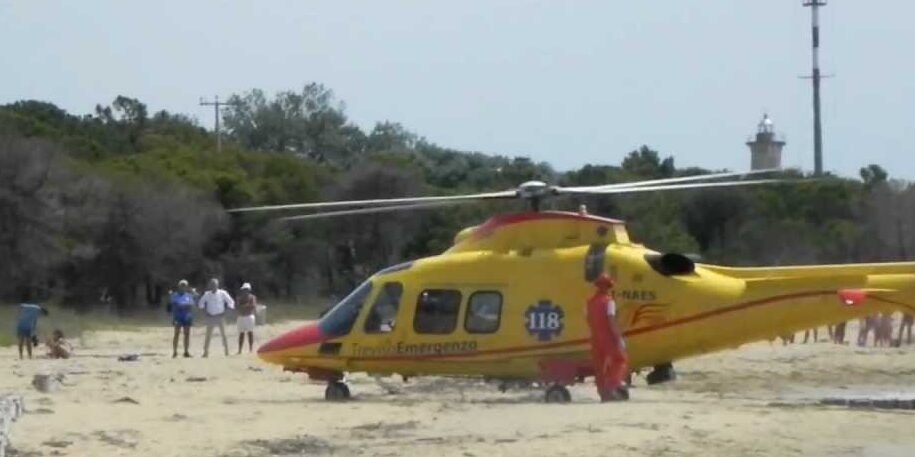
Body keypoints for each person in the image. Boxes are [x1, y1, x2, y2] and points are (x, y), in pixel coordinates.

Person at [585, 273, 629, 402]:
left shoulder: (590, 302)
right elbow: (611, 320)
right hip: (608, 337)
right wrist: (619, 337)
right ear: (609, 287)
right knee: (620, 360)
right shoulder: (609, 302)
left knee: (600, 368)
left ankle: (603, 394)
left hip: (595, 338)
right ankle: (612, 385)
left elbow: (588, 319)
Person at [198, 278, 235, 357]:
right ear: (210, 286)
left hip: (220, 316)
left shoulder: (222, 293)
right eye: (212, 285)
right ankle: (205, 352)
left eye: (215, 285)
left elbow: (231, 302)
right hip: (211, 316)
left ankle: (227, 351)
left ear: (217, 285)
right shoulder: (207, 294)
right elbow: (200, 303)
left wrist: (227, 312)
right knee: (208, 335)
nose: (213, 286)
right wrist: (205, 312)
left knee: (224, 335)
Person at [168, 279, 197, 358]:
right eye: (182, 286)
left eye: (185, 286)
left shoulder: (189, 295)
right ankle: (175, 352)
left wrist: (190, 314)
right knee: (176, 334)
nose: (183, 287)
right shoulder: (174, 295)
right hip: (178, 316)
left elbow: (191, 306)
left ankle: (186, 351)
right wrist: (174, 317)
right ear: (179, 286)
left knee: (187, 334)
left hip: (187, 316)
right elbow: (174, 307)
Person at [236, 283, 257, 354]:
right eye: (244, 290)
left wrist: (243, 306)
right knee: (241, 333)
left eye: (246, 290)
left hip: (249, 316)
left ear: (249, 290)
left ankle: (251, 349)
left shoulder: (252, 297)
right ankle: (240, 350)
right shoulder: (239, 297)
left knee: (250, 333)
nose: (245, 291)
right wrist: (247, 305)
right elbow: (238, 307)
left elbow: (253, 306)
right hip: (241, 317)